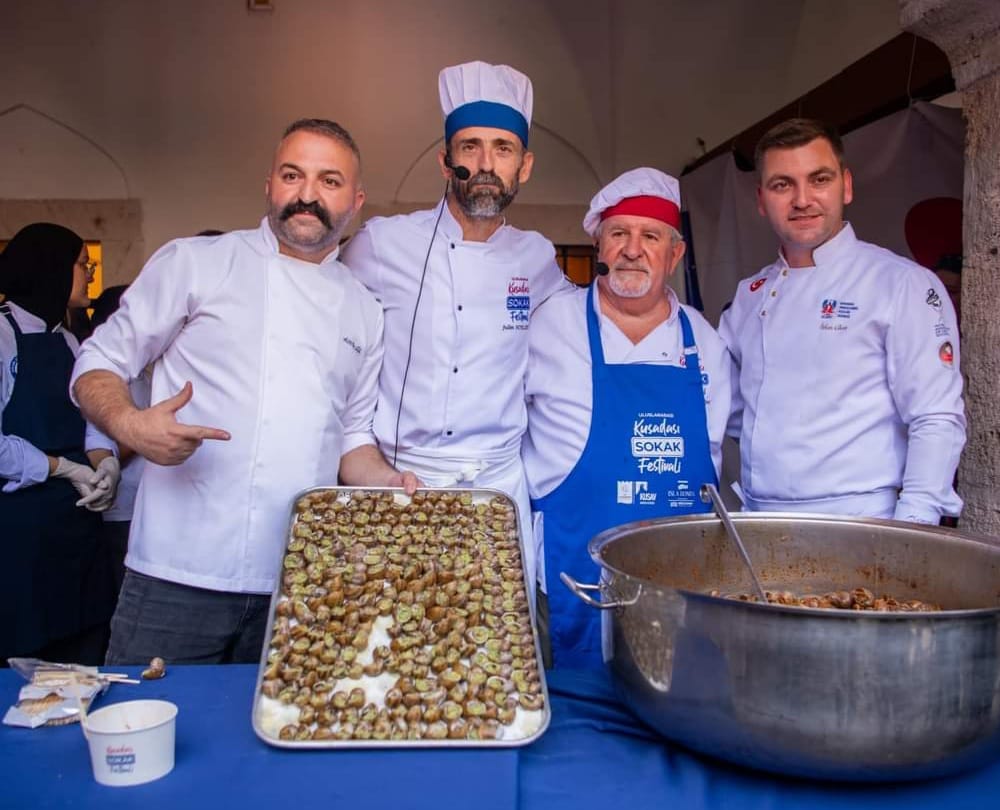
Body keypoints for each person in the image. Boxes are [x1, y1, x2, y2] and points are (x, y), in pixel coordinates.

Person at [72, 119, 416, 665]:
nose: (307, 195)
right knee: (139, 732)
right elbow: (98, 360)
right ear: (269, 185)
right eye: (292, 175)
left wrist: (392, 482)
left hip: (300, 584)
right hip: (174, 577)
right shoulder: (197, 262)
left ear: (356, 201)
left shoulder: (364, 310)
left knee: (273, 743)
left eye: (329, 181)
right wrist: (131, 425)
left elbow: (352, 439)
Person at [340, 61, 572, 587]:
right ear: (447, 162)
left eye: (503, 148)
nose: (486, 163)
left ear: (525, 165)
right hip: (399, 482)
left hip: (497, 486)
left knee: (500, 645)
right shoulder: (381, 244)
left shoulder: (537, 257)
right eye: (470, 147)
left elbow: (585, 327)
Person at [523, 168, 732, 667]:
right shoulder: (549, 324)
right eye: (619, 234)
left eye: (650, 236)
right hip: (567, 577)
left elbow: (718, 453)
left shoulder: (706, 342)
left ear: (675, 253)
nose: (633, 249)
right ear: (600, 245)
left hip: (680, 584)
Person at [718, 118, 965, 523]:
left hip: (863, 519)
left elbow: (935, 417)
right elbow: (732, 407)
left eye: (819, 179)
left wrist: (913, 528)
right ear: (761, 200)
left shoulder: (901, 283)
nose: (802, 200)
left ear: (845, 186)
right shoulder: (750, 295)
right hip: (758, 518)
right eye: (783, 185)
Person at [0, 222, 119, 662]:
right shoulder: (2, 336)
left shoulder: (69, 340)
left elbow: (90, 416)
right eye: (82, 265)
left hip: (77, 520)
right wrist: (65, 468)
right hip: (20, 527)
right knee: (27, 656)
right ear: (50, 268)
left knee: (85, 647)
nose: (89, 275)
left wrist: (104, 462)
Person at [86, 285, 147, 600]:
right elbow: (100, 448)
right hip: (121, 511)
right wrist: (142, 433)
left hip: (145, 508)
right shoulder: (100, 381)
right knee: (125, 595)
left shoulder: (143, 375)